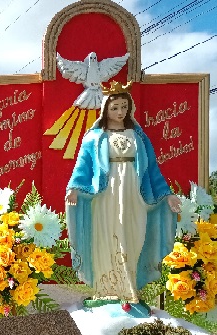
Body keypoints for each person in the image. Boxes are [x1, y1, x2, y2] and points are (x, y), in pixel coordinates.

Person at [65, 81, 181, 304]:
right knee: (107, 234)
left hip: (133, 192)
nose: (120, 112)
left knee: (133, 234)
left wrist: (167, 194)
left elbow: (152, 170)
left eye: (123, 107)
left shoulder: (139, 137)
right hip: (106, 194)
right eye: (115, 107)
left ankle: (130, 288)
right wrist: (74, 188)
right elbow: (83, 166)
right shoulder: (94, 138)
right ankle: (107, 288)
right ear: (106, 109)